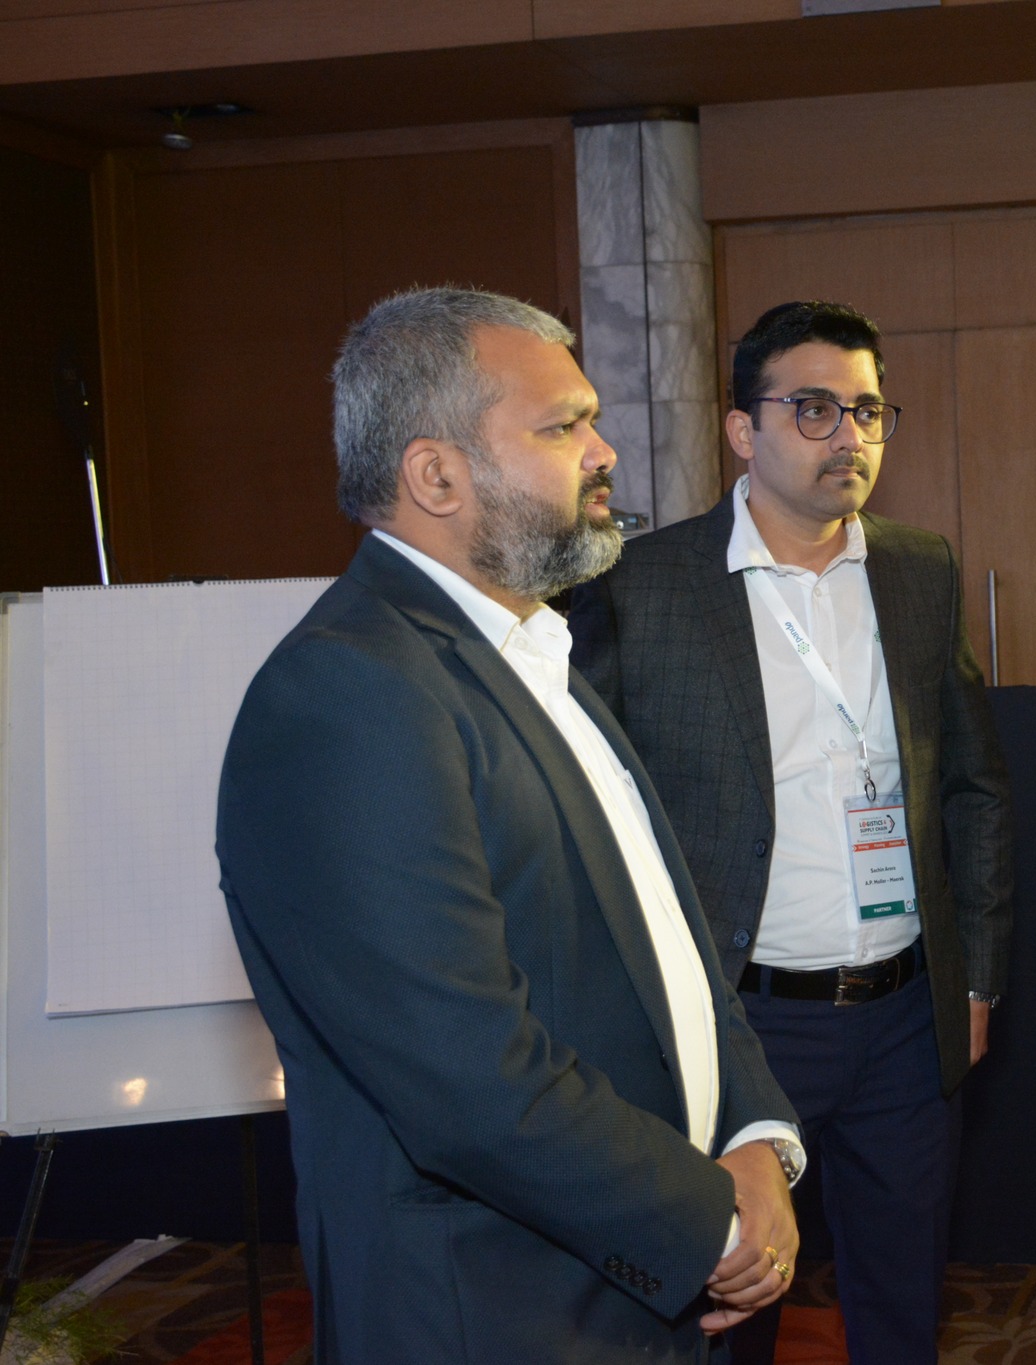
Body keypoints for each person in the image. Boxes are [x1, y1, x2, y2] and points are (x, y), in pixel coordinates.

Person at [215, 287, 804, 1365]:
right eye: (562, 426)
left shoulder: (531, 650)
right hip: (497, 1314)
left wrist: (756, 1139)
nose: (605, 452)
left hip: (633, 1290)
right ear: (436, 476)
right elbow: (466, 1072)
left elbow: (669, 949)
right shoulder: (347, 695)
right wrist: (712, 1222)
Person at [569, 300, 1012, 1365]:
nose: (847, 434)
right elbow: (588, 810)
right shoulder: (640, 584)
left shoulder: (919, 568)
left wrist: (979, 980)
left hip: (906, 1016)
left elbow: (973, 784)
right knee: (731, 1313)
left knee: (902, 1305)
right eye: (813, 409)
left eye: (867, 410)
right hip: (738, 1019)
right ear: (742, 429)